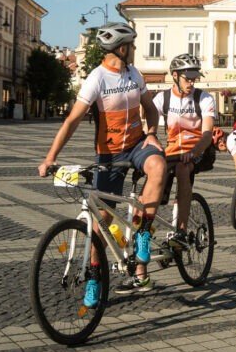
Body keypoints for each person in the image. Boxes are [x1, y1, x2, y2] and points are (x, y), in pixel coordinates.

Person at [37, 23, 167, 300]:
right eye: (132, 45)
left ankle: (143, 233)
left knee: (158, 166)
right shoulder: (97, 78)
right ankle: (95, 277)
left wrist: (152, 134)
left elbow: (150, 109)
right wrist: (50, 158)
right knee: (102, 221)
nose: (135, 49)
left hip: (137, 145)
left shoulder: (134, 74)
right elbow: (72, 120)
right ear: (122, 48)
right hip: (109, 154)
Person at [151, 53, 216, 246]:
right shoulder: (162, 98)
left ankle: (181, 231)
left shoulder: (204, 98)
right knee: (153, 180)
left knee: (182, 168)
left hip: (199, 150)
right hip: (172, 151)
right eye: (188, 78)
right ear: (175, 75)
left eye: (195, 78)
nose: (192, 82)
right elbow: (148, 127)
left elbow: (207, 134)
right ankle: (146, 230)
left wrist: (194, 152)